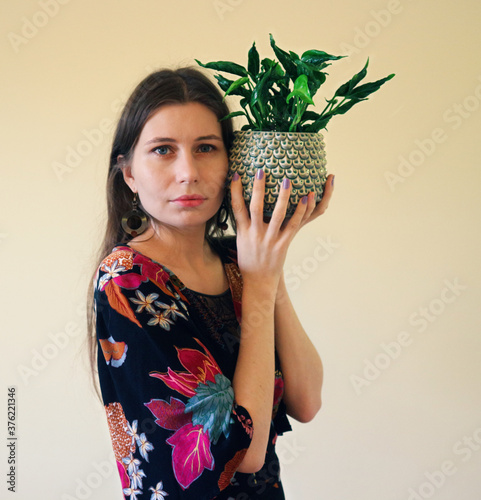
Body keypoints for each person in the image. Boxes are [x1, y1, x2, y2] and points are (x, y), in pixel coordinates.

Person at [87, 67, 334, 500]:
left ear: (231, 163)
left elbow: (307, 401)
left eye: (206, 148)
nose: (188, 172)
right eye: (163, 150)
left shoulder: (238, 261)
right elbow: (244, 454)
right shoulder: (126, 280)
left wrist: (268, 261)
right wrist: (259, 282)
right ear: (128, 174)